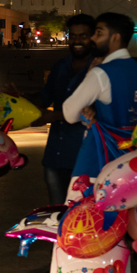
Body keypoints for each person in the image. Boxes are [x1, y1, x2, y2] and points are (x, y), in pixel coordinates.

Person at [21, 12, 137, 273]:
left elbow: (67, 111)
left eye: (99, 33)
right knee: (115, 234)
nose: (93, 38)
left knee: (74, 234)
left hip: (93, 165)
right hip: (128, 168)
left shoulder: (100, 73)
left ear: (116, 38)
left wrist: (87, 109)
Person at [36, 14, 95, 206]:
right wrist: (19, 100)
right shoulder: (61, 66)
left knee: (83, 216)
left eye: (83, 36)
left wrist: (55, 116)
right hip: (55, 155)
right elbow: (45, 97)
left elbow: (96, 111)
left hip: (84, 157)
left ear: (93, 37)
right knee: (58, 214)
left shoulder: (100, 70)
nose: (77, 41)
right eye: (73, 36)